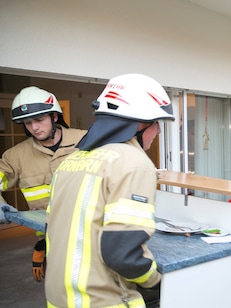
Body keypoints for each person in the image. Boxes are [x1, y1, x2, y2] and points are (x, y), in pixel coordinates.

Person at [45, 73, 173, 307]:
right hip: (102, 300)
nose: (159, 132)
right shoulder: (135, 163)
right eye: (157, 123)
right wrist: (156, 280)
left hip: (59, 297)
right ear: (140, 123)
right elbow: (122, 254)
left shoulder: (70, 161)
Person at [0, 86, 87, 282]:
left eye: (39, 120)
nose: (34, 128)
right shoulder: (15, 156)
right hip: (51, 242)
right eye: (28, 123)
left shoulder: (86, 140)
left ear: (54, 117)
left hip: (92, 236)